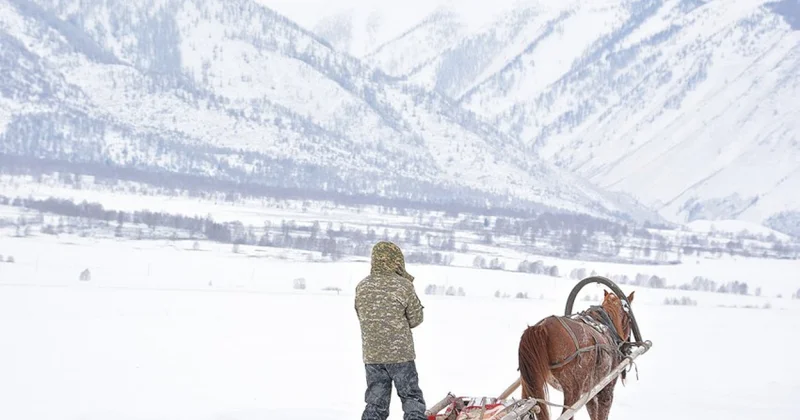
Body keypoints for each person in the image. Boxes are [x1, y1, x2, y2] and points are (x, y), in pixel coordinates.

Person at [355, 241, 426, 420]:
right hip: (401, 355)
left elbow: (362, 316)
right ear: (396, 260)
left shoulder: (362, 287)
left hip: (373, 356)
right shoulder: (403, 286)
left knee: (375, 404)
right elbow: (416, 319)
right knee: (411, 399)